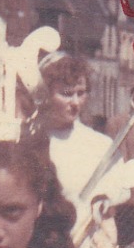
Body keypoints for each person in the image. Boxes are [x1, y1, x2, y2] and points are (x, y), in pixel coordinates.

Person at [39, 54, 112, 208]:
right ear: (45, 94)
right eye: (66, 94)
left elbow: (116, 191)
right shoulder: (29, 140)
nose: (76, 102)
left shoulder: (100, 144)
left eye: (81, 93)